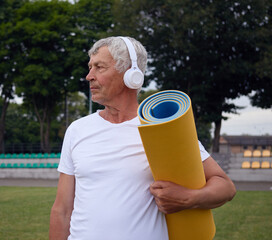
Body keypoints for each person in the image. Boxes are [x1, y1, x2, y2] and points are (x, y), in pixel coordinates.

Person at [49, 36, 236, 240]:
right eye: (90, 67)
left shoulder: (161, 129)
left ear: (131, 74)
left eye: (99, 67)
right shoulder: (78, 129)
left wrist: (189, 198)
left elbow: (225, 187)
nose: (89, 76)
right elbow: (62, 210)